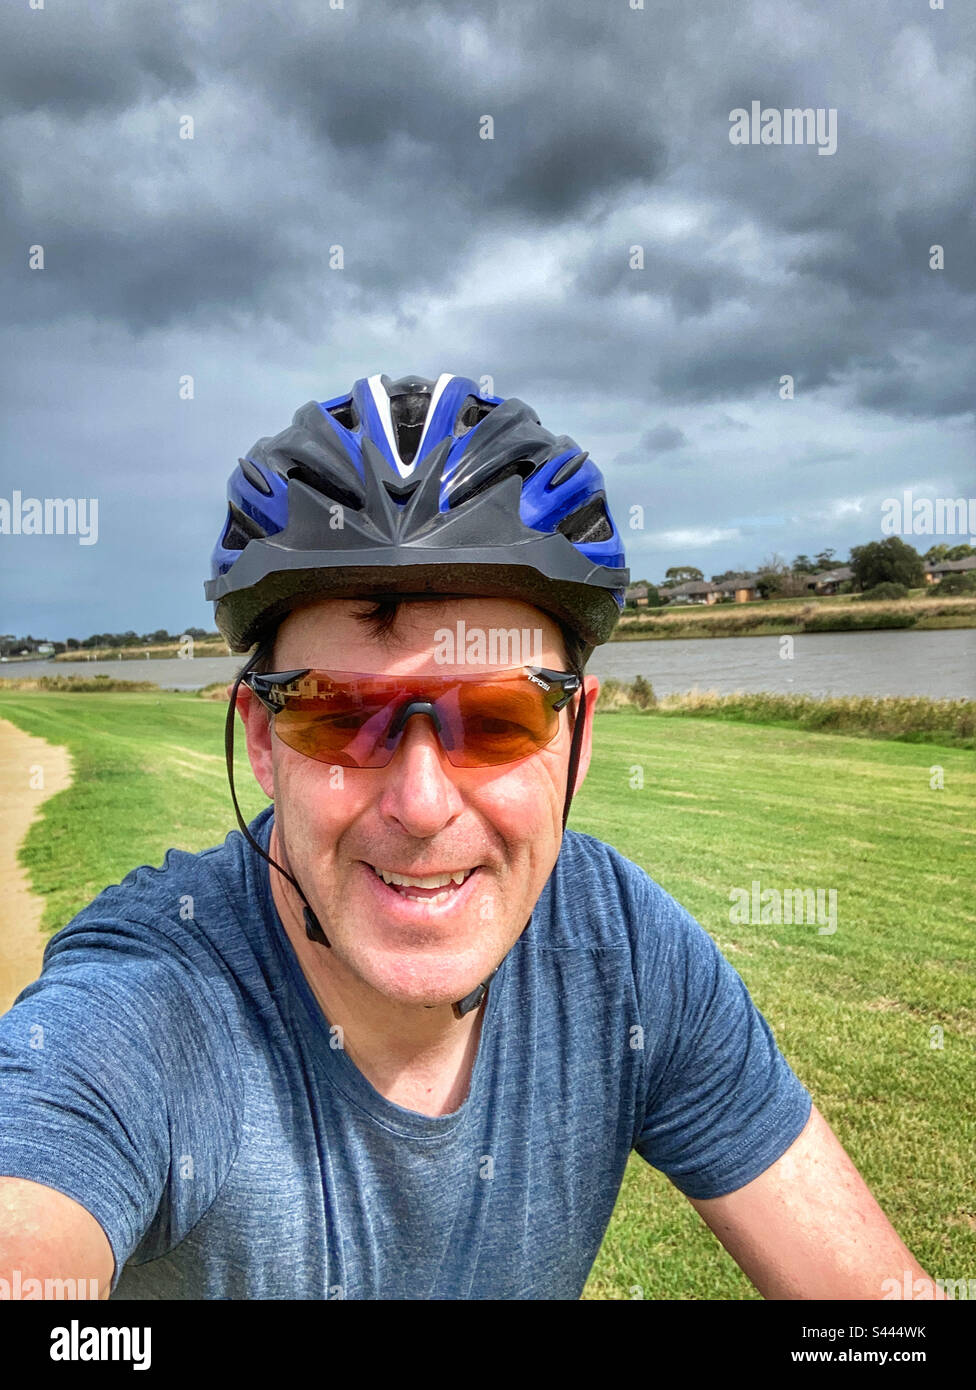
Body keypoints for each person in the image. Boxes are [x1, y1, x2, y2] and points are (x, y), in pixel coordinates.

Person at [0, 373, 938, 1300]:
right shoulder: (154, 1002)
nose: (420, 803)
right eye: (338, 716)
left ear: (578, 738)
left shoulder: (623, 953)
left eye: (496, 721)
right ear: (260, 738)